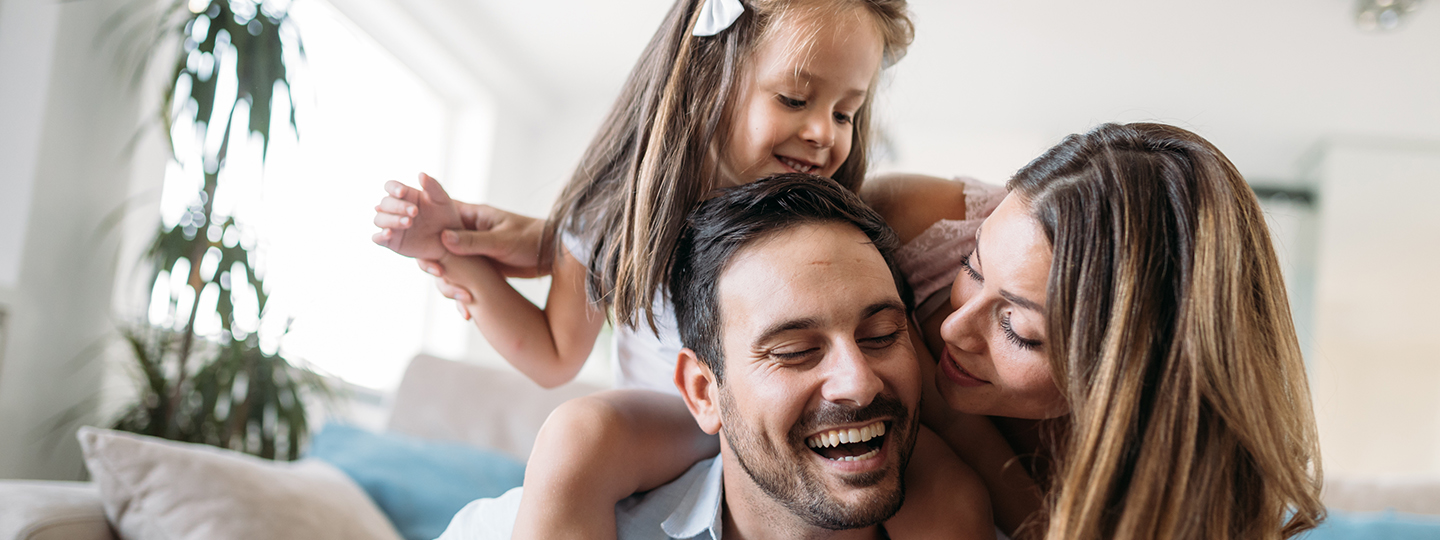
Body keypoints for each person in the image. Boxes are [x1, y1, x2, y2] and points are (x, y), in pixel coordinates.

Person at [373, 0, 988, 538]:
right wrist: (457, 258)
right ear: (708, 80)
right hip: (668, 420)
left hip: (795, 425)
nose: (822, 132)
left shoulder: (847, 225)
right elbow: (554, 351)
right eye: (795, 99)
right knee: (576, 437)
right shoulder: (617, 216)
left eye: (846, 113)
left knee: (950, 494)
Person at [436, 174, 991, 540]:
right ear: (703, 392)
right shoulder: (525, 525)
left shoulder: (963, 518)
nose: (858, 382)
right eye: (795, 351)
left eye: (881, 335)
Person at [868, 122, 1325, 539]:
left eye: (1021, 330)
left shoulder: (1178, 501)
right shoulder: (915, 219)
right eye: (972, 265)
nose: (953, 328)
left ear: (1138, 370)